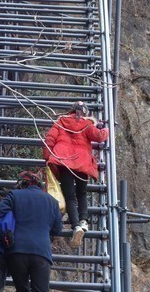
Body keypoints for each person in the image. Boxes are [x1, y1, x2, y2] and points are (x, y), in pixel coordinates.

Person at [43, 102, 109, 247]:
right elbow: (99, 136)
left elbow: (50, 139)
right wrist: (106, 129)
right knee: (82, 193)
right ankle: (84, 221)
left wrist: (48, 157)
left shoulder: (61, 121)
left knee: (70, 196)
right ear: (85, 113)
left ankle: (76, 226)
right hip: (82, 162)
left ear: (72, 110)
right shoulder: (87, 124)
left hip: (64, 160)